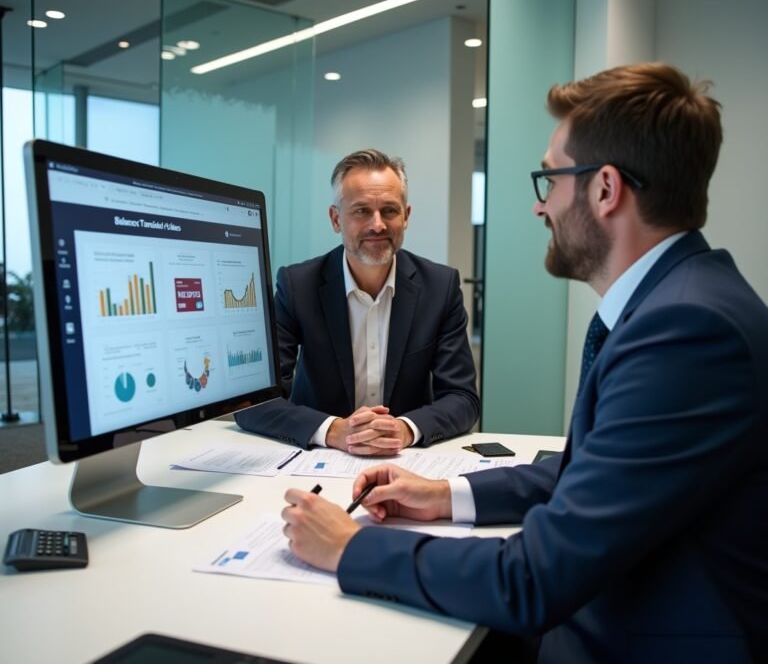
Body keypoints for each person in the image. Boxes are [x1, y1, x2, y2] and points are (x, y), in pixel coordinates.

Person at [280, 63, 768, 663]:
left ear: (605, 189)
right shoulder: (682, 301)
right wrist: (443, 494)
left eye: (551, 180)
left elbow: (534, 579)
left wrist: (351, 547)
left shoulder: (685, 331)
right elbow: (586, 473)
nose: (542, 209)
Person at [235, 149, 479, 456]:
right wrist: (333, 431)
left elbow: (462, 398)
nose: (377, 225)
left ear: (406, 216)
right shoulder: (298, 286)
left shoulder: (440, 287)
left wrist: (403, 429)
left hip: (407, 461)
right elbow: (254, 402)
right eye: (361, 211)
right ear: (336, 219)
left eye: (389, 210)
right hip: (319, 459)